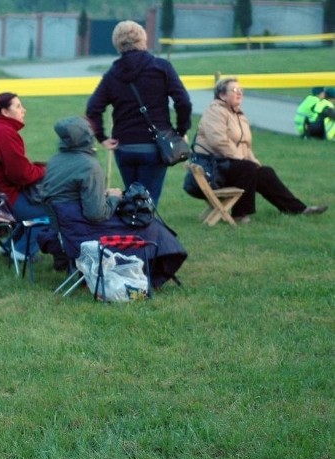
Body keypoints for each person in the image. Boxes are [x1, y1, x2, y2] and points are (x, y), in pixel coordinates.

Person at [37, 116, 187, 288]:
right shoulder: (88, 165)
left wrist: (103, 195)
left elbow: (71, 195)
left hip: (65, 228)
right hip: (82, 230)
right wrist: (114, 197)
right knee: (148, 224)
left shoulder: (57, 160)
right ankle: (149, 276)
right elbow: (95, 214)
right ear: (86, 136)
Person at [86, 20, 192, 209]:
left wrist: (101, 137)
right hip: (154, 145)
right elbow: (183, 102)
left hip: (124, 147)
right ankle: (147, 237)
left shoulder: (112, 74)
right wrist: (180, 130)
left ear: (117, 43)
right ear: (143, 39)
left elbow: (93, 109)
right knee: (147, 205)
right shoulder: (161, 67)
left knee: (133, 200)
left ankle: (133, 235)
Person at [195, 77, 328, 223]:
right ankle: (240, 214)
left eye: (241, 90)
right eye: (234, 90)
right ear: (222, 95)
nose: (239, 93)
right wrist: (243, 160)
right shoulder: (216, 112)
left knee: (265, 172)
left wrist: (254, 161)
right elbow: (219, 142)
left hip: (229, 166)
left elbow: (244, 145)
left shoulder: (238, 114)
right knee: (248, 168)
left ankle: (297, 209)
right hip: (214, 169)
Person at [0, 92, 50, 260]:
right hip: (2, 199)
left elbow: (18, 169)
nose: (23, 110)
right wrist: (46, 170)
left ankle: (9, 246)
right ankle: (21, 251)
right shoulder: (5, 133)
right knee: (56, 211)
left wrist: (38, 167)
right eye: (18, 106)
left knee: (40, 208)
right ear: (4, 112)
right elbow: (22, 175)